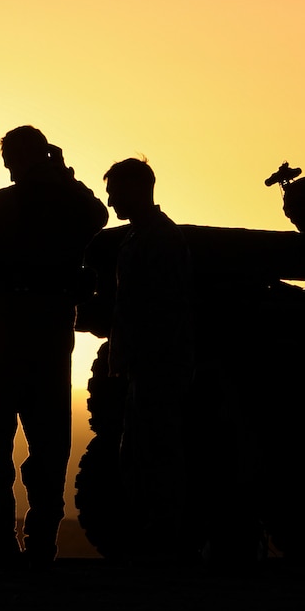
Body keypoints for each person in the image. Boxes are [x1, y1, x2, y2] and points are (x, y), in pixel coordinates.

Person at [0, 127, 108, 567]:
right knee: (48, 441)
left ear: (12, 161)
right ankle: (40, 546)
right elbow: (97, 214)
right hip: (53, 328)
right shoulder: (73, 204)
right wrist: (64, 174)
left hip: (8, 327)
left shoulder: (4, 203)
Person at [103, 158, 195, 553]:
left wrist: (139, 354)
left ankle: (163, 540)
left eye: (115, 191)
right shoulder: (143, 237)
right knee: (142, 452)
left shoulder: (159, 239)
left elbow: (161, 307)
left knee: (155, 452)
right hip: (147, 363)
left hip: (157, 364)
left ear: (137, 189)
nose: (110, 201)